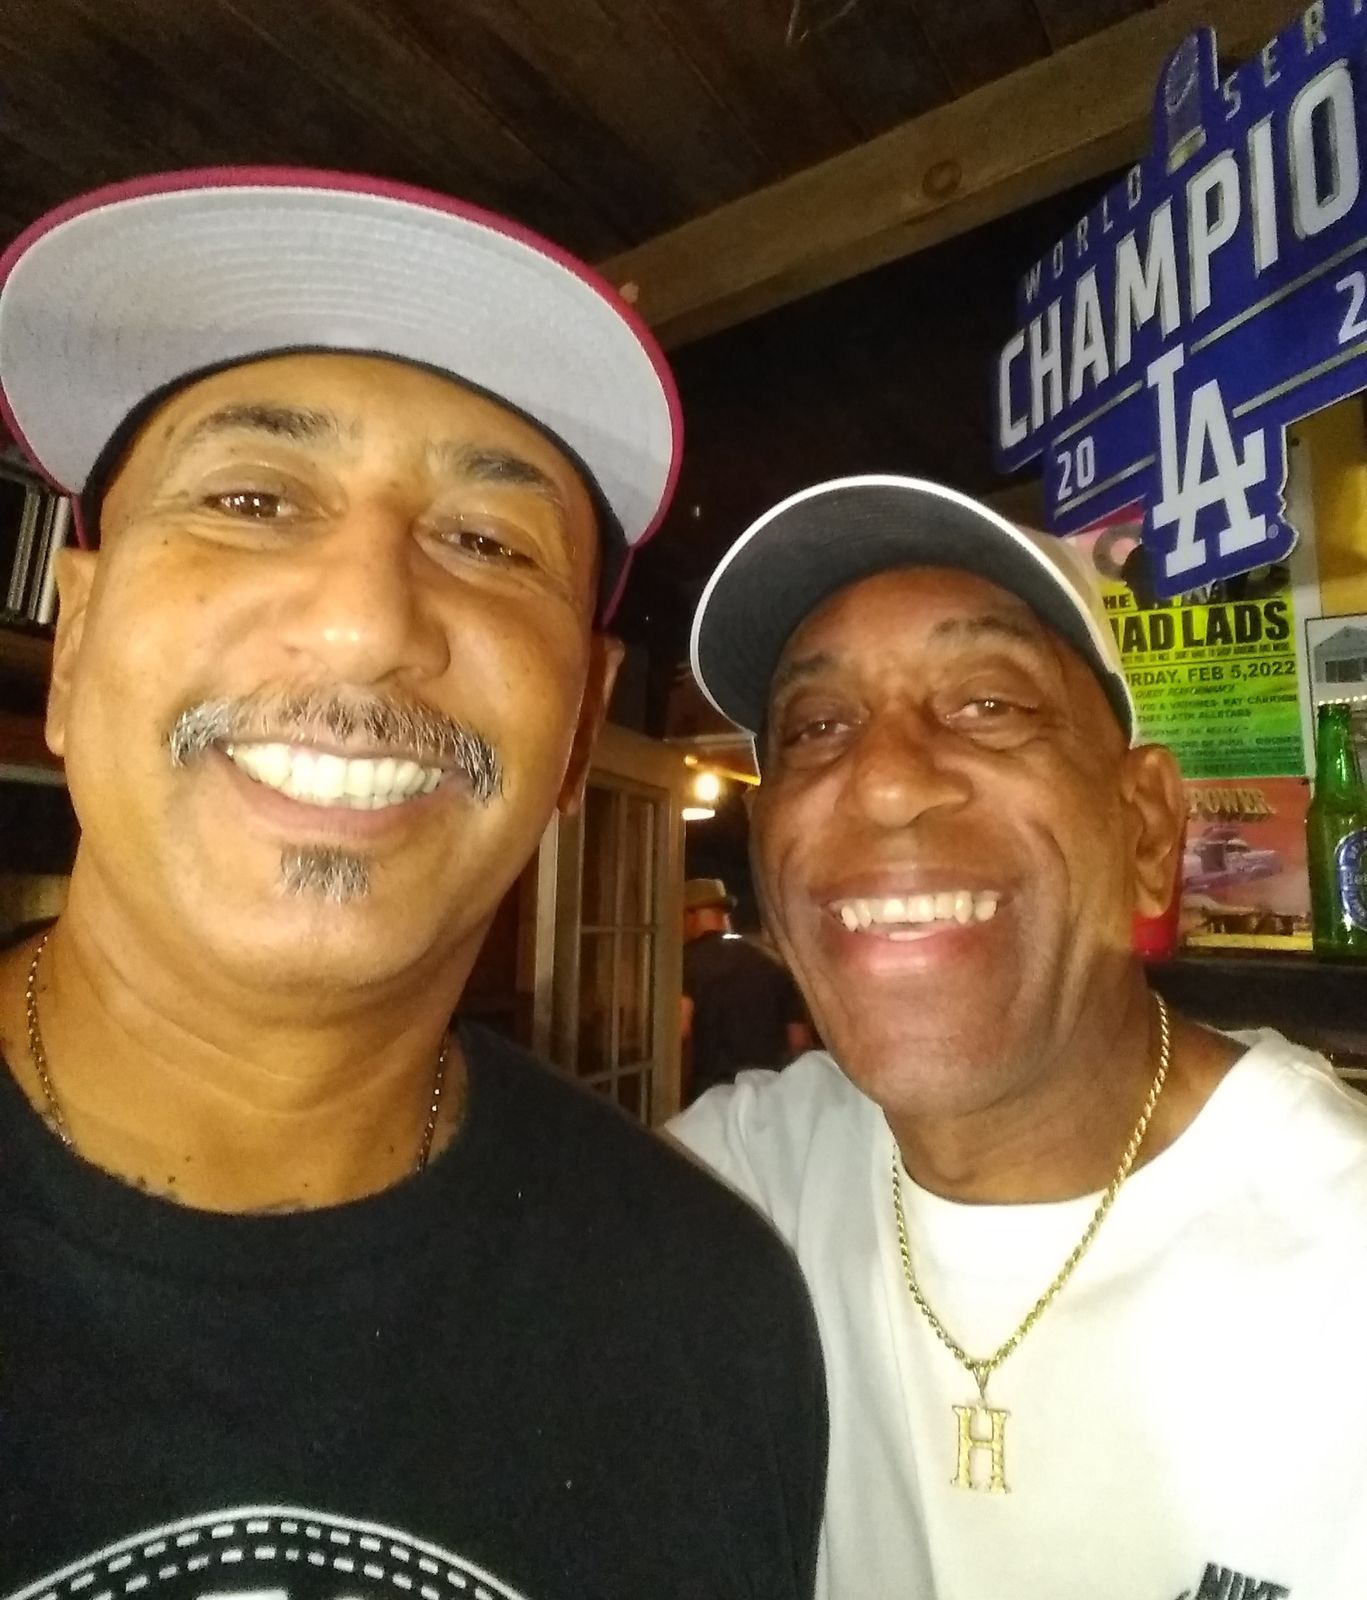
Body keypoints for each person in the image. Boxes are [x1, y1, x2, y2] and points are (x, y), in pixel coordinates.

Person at [0, 169, 825, 1599]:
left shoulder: (709, 1308)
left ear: (579, 727)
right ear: (72, 647)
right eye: (252, 499)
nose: (367, 622)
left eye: (486, 543)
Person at [672, 474, 1367, 1599]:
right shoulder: (740, 1186)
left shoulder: (1341, 1256)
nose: (883, 782)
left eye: (987, 704)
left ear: (1145, 829)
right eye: (816, 727)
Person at [681, 876, 810, 1101]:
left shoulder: (685, 962)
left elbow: (680, 1030)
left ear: (690, 916)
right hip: (769, 1092)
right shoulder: (772, 962)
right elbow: (798, 1040)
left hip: (709, 1096)